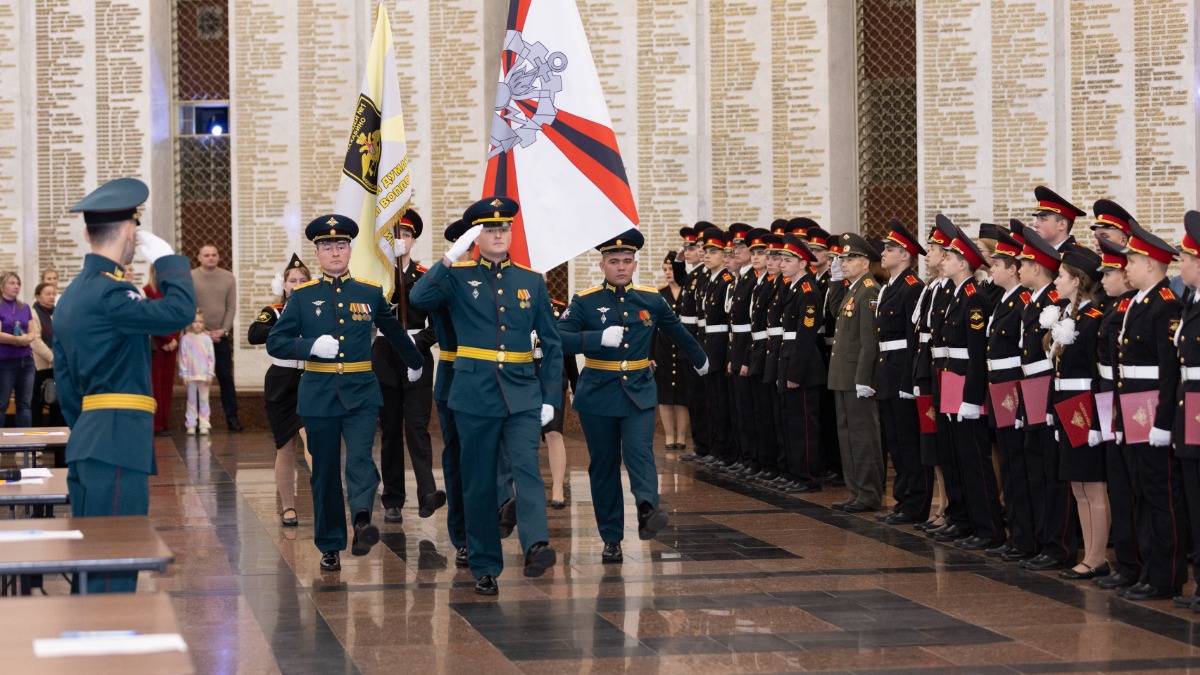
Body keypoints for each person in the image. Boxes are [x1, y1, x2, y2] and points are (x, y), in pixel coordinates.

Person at [409, 196, 563, 596]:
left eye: (504, 228)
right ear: (477, 237)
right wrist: (450, 256)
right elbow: (418, 299)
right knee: (478, 482)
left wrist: (550, 395)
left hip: (522, 393)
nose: (498, 234)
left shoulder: (531, 281)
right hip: (474, 393)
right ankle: (484, 564)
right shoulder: (457, 277)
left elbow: (551, 342)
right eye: (489, 229)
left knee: (527, 469)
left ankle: (536, 545)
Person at [55, 177, 195, 593]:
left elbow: (66, 382)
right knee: (114, 563)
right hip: (117, 441)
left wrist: (89, 429)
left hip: (91, 440)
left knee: (92, 560)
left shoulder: (72, 295)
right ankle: (108, 633)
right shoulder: (111, 294)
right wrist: (169, 261)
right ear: (131, 231)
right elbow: (178, 312)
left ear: (88, 234)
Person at [267, 214, 424, 573]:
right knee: (323, 472)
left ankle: (363, 520)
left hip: (361, 393)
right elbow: (276, 341)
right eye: (327, 247)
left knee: (360, 461)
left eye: (340, 245)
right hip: (318, 395)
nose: (335, 252)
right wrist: (309, 346)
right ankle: (330, 544)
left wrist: (415, 362)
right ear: (318, 254)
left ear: (350, 249)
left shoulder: (369, 292)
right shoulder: (303, 297)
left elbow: (394, 331)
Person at [557, 229, 708, 563]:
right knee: (604, 465)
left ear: (635, 264)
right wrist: (596, 339)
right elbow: (559, 338)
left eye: (627, 261)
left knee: (640, 452)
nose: (621, 267)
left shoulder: (650, 299)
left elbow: (676, 330)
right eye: (614, 261)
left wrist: (700, 358)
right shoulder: (585, 300)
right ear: (602, 266)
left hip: (638, 390)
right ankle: (611, 537)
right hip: (598, 394)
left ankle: (647, 508)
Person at [1114, 218, 1185, 601]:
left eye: (1132, 261)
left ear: (1151, 264)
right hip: (1134, 404)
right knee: (1141, 488)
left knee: (1161, 493)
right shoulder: (1139, 303)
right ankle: (1147, 569)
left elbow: (1169, 369)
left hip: (1153, 406)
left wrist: (1163, 421)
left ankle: (1166, 575)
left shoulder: (1165, 305)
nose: (1126, 267)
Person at [372, 209, 445, 524]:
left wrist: (418, 341)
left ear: (413, 240)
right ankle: (392, 499)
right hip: (385, 356)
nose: (401, 240)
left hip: (417, 355)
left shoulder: (426, 277)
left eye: (406, 235)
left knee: (417, 426)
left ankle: (427, 492)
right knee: (390, 429)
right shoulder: (377, 277)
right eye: (395, 235)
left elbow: (440, 323)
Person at [939, 218, 1005, 549]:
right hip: (953, 376)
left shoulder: (974, 298)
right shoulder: (957, 295)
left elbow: (978, 352)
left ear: (964, 263)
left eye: (950, 257)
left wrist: (972, 396)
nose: (944, 260)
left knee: (976, 459)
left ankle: (988, 527)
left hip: (967, 381)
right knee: (958, 456)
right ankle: (964, 519)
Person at [1017, 228, 1078, 571]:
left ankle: (1059, 545)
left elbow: (1052, 357)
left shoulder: (1051, 303)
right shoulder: (1035, 301)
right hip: (1032, 387)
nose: (1018, 268)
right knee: (1036, 467)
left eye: (1023, 264)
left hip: (1045, 387)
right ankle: (1042, 539)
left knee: (1051, 472)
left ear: (1036, 267)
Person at [1047, 247, 1108, 580]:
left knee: (1093, 486)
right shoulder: (1069, 317)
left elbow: (1098, 374)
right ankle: (1090, 555)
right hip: (1068, 405)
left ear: (1076, 281)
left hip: (1084, 407)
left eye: (1060, 276)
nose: (1056, 281)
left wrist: (1097, 421)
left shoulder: (1093, 320)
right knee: (1077, 487)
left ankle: (1097, 557)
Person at [979, 223, 1035, 561]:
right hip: (999, 383)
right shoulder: (1004, 300)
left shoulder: (1021, 301)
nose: (992, 269)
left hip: (1012, 383)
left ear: (1013, 269)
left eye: (997, 264)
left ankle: (1025, 536)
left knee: (1016, 461)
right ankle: (1016, 534)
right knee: (1010, 460)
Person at [872, 220, 930, 525]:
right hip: (887, 370)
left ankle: (916, 503)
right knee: (894, 441)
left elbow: (913, 339)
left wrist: (909, 380)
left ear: (906, 255)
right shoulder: (888, 288)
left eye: (890, 249)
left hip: (902, 372)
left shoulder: (913, 288)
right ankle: (902, 498)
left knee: (908, 441)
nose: (883, 253)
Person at [247, 253, 311, 526]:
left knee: (312, 438)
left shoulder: (318, 310)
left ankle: (326, 497)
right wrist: (285, 325)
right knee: (285, 446)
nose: (297, 285)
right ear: (283, 285)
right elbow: (254, 334)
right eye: (292, 281)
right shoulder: (273, 311)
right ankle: (287, 507)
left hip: (310, 379)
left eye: (302, 280)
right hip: (281, 381)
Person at [1092, 236, 1140, 591]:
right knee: (1119, 484)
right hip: (1110, 396)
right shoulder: (1115, 308)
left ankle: (1136, 562)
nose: (1104, 279)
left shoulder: (1127, 309)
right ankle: (1126, 562)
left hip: (1128, 398)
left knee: (1132, 485)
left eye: (1109, 273)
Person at [827, 233, 883, 512]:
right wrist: (836, 281)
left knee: (863, 437)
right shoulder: (853, 288)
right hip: (842, 374)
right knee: (847, 435)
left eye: (850, 258)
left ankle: (869, 493)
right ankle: (855, 490)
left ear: (865, 262)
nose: (844, 263)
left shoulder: (869, 290)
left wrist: (863, 378)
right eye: (843, 258)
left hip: (856, 376)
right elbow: (834, 311)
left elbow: (869, 341)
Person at [775, 232, 826, 493]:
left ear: (803, 263)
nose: (782, 264)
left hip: (803, 366)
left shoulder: (807, 291)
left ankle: (808, 477)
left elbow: (806, 336)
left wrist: (794, 372)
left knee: (804, 424)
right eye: (782, 259)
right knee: (790, 422)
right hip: (789, 357)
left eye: (788, 260)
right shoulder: (793, 287)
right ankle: (794, 472)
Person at [1173, 211, 1200, 610]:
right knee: (1192, 492)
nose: (1179, 265)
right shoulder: (1190, 299)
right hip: (1189, 400)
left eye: (1183, 259)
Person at [192, 244, 240, 430]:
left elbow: (231, 307)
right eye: (206, 255)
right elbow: (189, 306)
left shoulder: (228, 277)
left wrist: (224, 330)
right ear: (199, 257)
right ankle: (198, 420)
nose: (211, 257)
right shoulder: (191, 277)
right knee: (198, 379)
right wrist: (200, 331)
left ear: (218, 256)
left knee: (226, 378)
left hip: (220, 338)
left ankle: (232, 418)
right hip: (198, 337)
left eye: (214, 254)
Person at [653, 251, 690, 450]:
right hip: (664, 348)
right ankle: (669, 437)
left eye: (671, 269)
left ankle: (682, 437)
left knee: (683, 396)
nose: (668, 272)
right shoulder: (659, 294)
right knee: (665, 395)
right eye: (665, 269)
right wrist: (650, 355)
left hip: (684, 347)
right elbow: (651, 326)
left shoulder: (689, 290)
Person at [144, 267, 180, 435]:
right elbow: (150, 318)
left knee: (167, 385)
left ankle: (164, 422)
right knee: (156, 385)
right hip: (157, 345)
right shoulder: (147, 291)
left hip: (171, 344)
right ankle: (156, 424)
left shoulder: (173, 292)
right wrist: (166, 339)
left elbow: (178, 316)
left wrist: (174, 338)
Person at [0, 271, 37, 428]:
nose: (16, 286)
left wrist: (27, 338)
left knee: (25, 405)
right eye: (12, 283)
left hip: (26, 360)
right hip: (5, 361)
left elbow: (32, 332)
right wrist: (17, 340)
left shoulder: (24, 307)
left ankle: (25, 443)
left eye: (18, 283)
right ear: (2, 286)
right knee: (2, 403)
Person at [30, 282, 62, 427]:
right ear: (38, 296)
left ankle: (56, 434)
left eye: (53, 294)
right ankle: (35, 435)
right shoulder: (33, 313)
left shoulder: (58, 313)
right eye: (47, 294)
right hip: (40, 365)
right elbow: (35, 340)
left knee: (57, 401)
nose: (51, 297)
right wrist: (52, 358)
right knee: (37, 402)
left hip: (58, 364)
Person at [178, 310, 215, 434]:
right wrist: (184, 374)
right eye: (195, 322)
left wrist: (210, 374)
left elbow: (211, 358)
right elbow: (182, 357)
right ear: (190, 323)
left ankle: (204, 423)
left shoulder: (207, 339)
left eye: (200, 322)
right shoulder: (185, 339)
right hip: (191, 375)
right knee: (191, 400)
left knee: (204, 400)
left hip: (204, 375)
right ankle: (191, 423)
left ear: (203, 323)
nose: (198, 324)